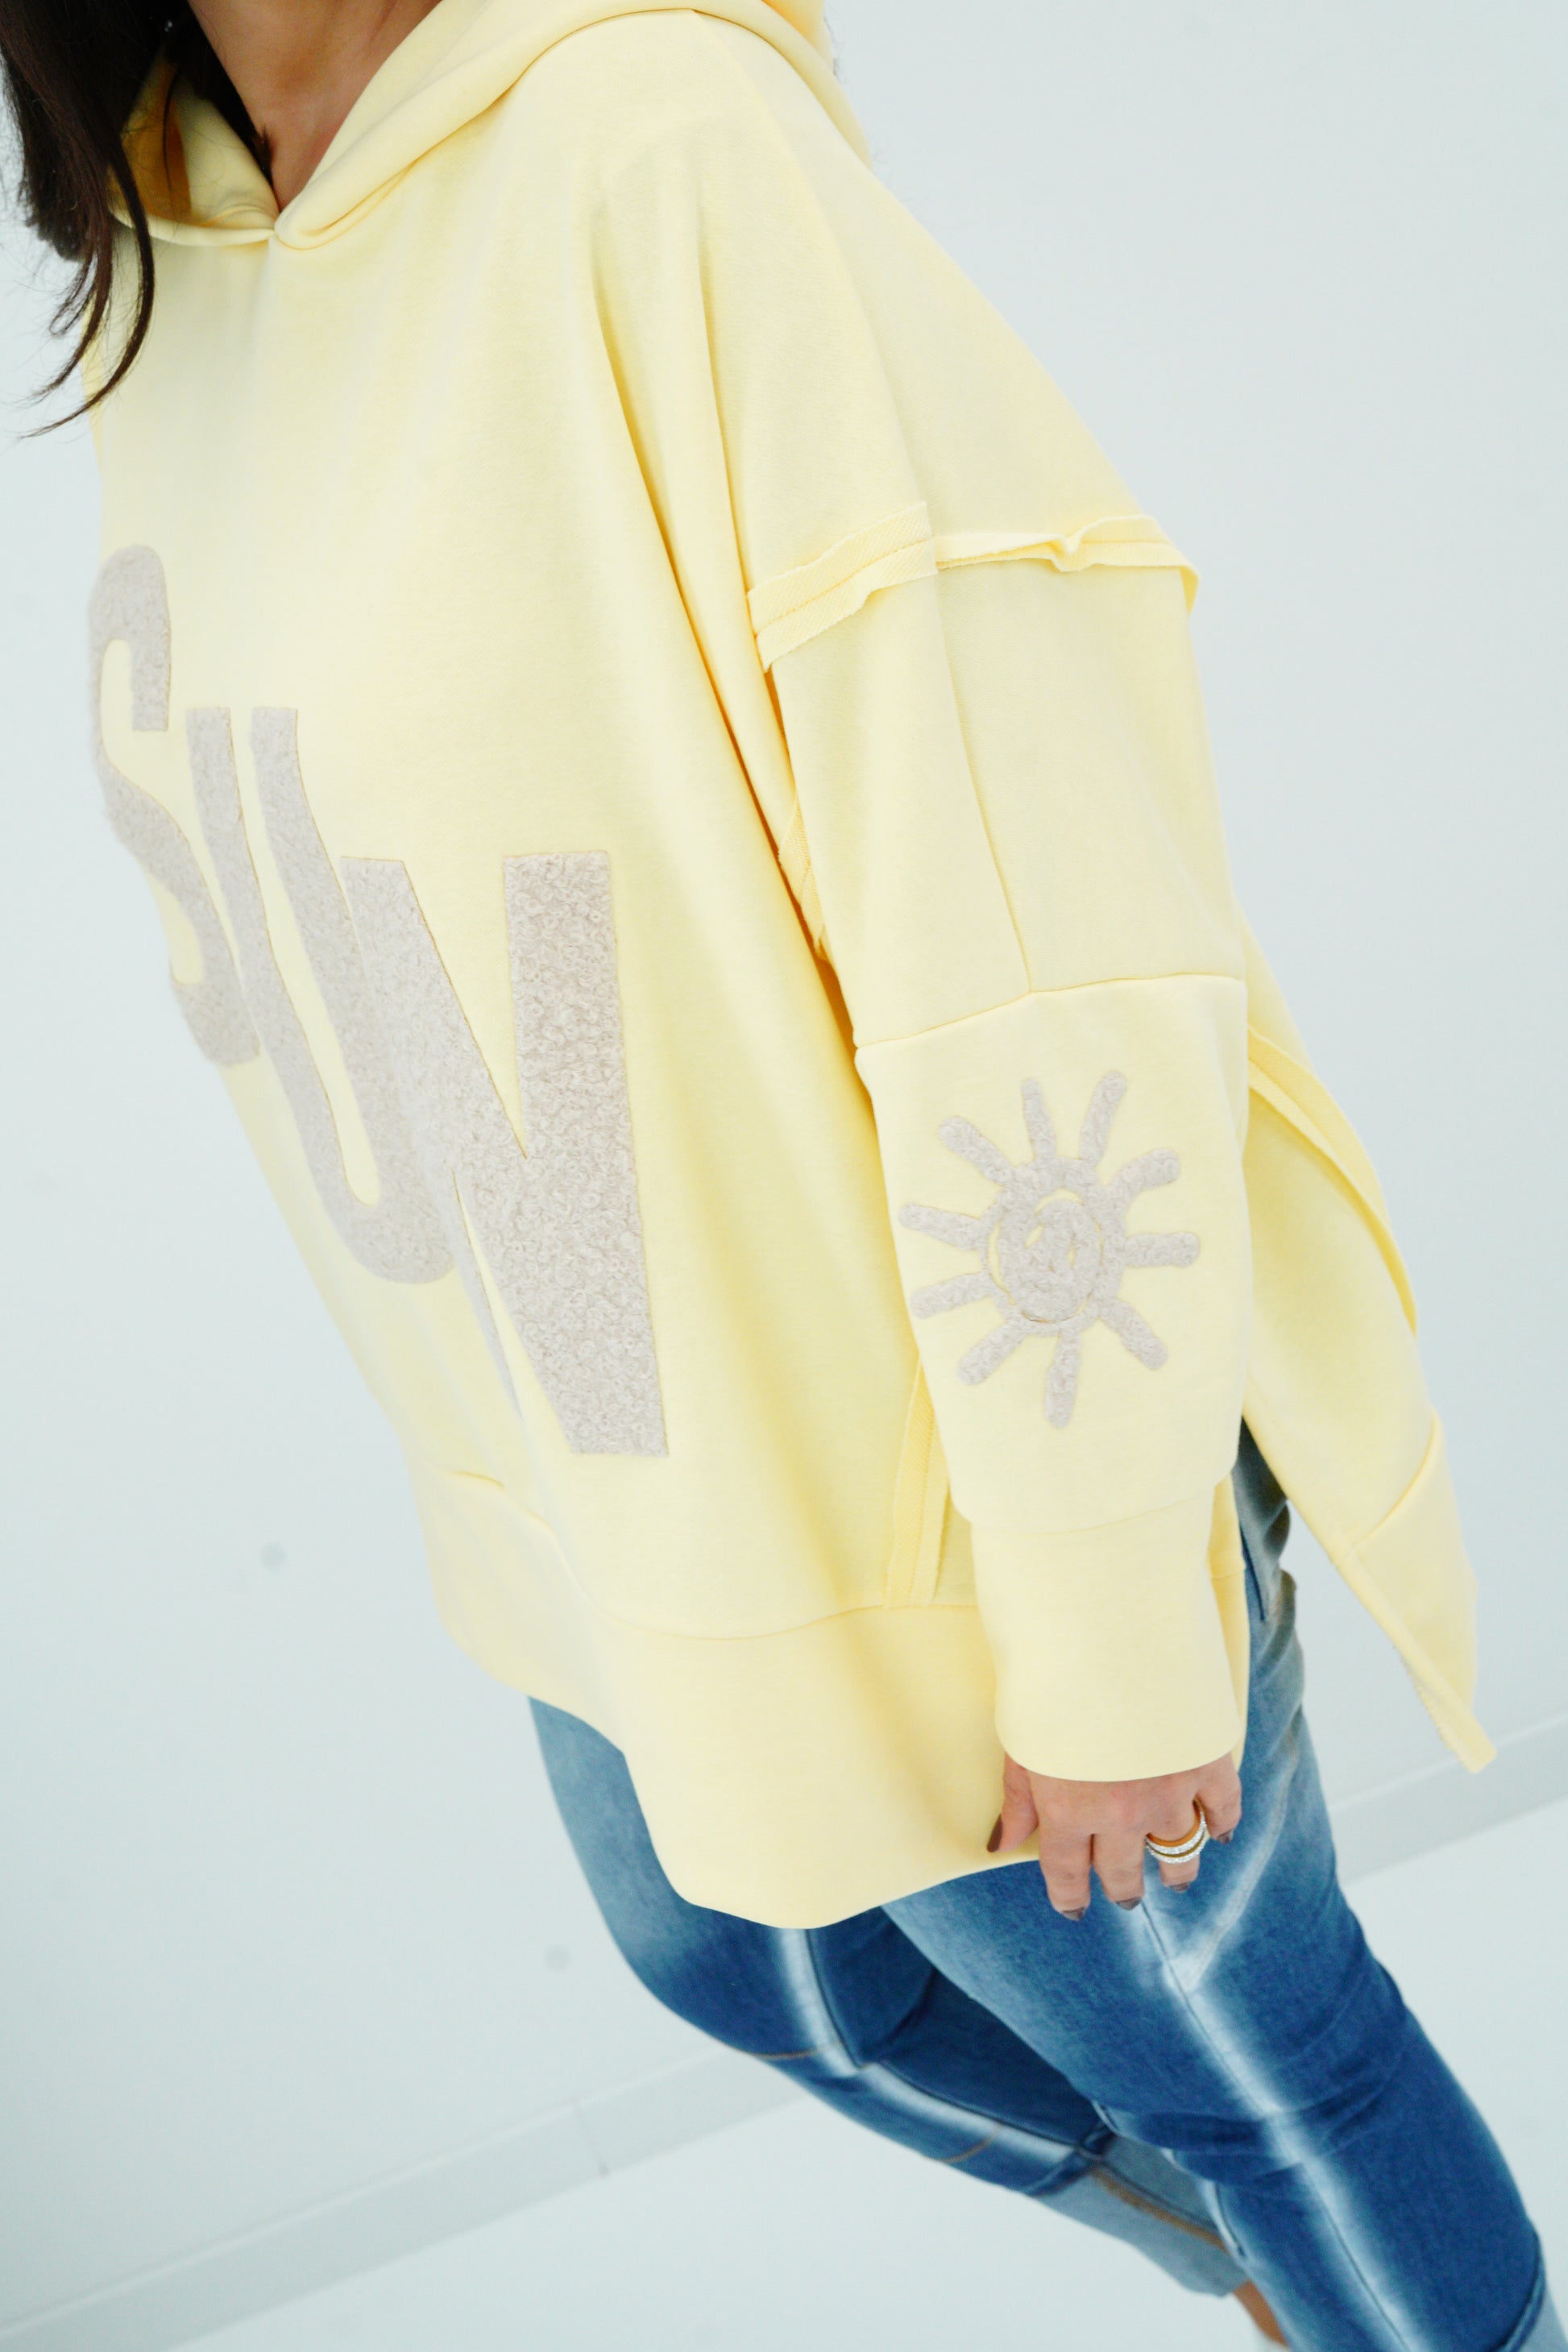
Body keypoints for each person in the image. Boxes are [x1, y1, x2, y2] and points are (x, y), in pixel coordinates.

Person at [1, 3, 1557, 2343]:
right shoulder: (172, 262)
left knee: (1271, 2082)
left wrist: (1101, 1600)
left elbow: (1021, 890)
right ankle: (1269, 2289)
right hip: (608, 1496)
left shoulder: (657, 146)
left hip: (940, 1486)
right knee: (756, 1979)